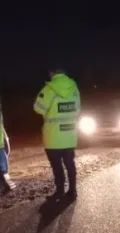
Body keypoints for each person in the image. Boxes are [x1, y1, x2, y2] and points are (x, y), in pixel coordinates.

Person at [33, 68, 80, 200]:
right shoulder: (74, 88)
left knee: (57, 166)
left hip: (53, 136)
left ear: (51, 73)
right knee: (70, 164)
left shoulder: (49, 89)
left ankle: (60, 191)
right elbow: (78, 109)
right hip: (70, 133)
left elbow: (37, 108)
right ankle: (73, 191)